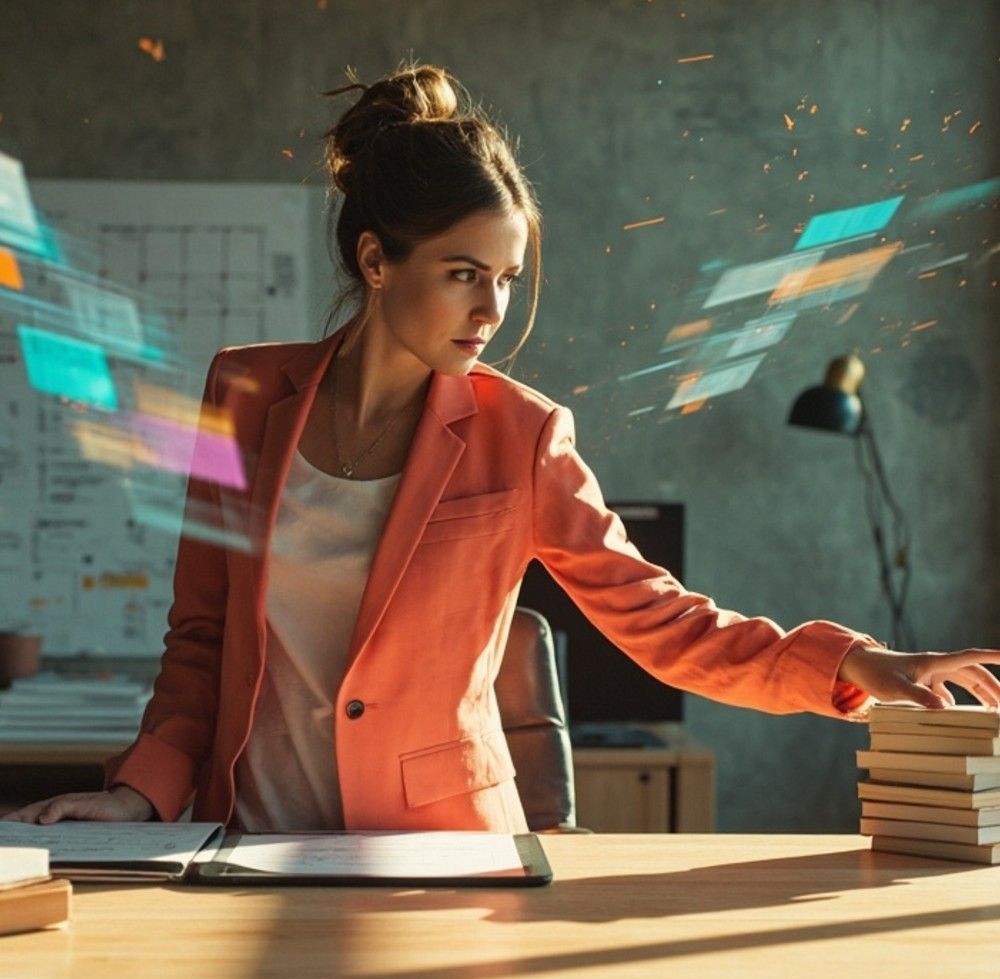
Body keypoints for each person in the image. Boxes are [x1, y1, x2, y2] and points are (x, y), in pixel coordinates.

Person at [6, 63, 999, 832]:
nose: (492, 307)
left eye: (508, 277)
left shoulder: (521, 434)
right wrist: (141, 794)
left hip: (439, 854)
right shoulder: (244, 392)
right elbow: (202, 642)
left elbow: (664, 622)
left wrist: (852, 660)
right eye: (462, 273)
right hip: (251, 840)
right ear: (374, 260)